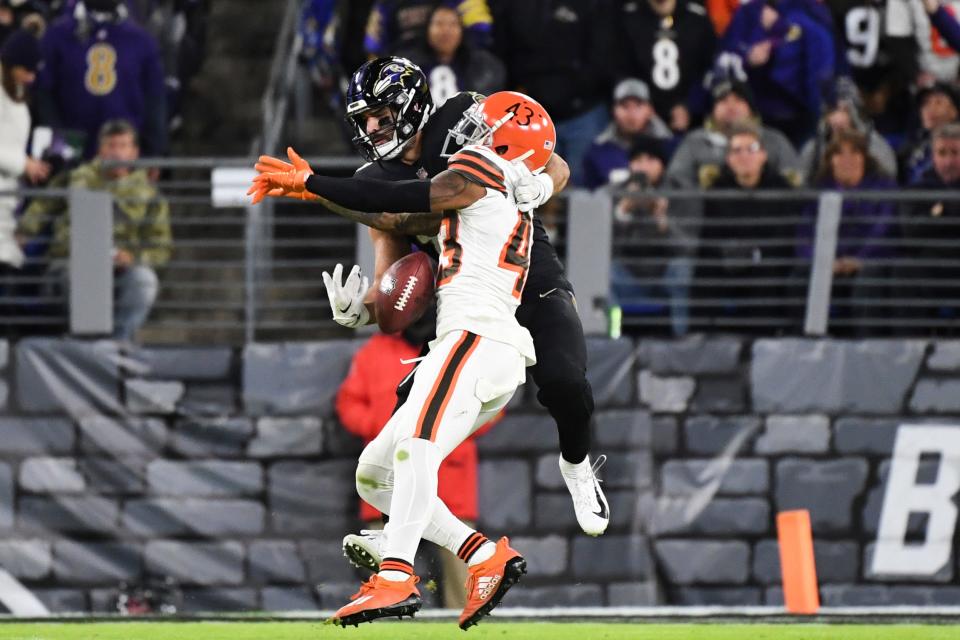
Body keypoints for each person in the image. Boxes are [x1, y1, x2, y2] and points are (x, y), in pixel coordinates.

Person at [255, 57, 609, 540]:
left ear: (411, 105)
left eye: (382, 115)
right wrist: (358, 312)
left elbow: (554, 161)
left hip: (529, 278)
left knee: (566, 382)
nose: (374, 128)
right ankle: (396, 532)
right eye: (366, 120)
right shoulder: (375, 184)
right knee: (408, 419)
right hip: (466, 303)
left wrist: (540, 183)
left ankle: (576, 465)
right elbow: (391, 292)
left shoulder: (464, 119)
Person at [251, 91, 565, 629]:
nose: (468, 129)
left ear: (504, 142)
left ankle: (396, 576)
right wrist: (367, 309)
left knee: (416, 448)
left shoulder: (481, 168)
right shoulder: (501, 178)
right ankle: (482, 556)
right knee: (375, 475)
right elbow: (395, 213)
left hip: (476, 338)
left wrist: (313, 184)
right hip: (470, 345)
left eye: (481, 125)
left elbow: (412, 193)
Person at [335, 304, 497, 610]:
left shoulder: (461, 347)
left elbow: (491, 406)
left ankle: (464, 628)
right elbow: (349, 404)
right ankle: (379, 624)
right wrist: (383, 429)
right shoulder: (373, 353)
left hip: (448, 483)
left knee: (461, 576)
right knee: (381, 576)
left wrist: (446, 432)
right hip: (389, 485)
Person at [16, 119, 171, 340]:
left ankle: (118, 347)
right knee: (76, 278)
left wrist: (133, 258)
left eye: (123, 146)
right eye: (111, 146)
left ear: (134, 152)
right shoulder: (75, 177)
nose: (116, 153)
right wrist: (23, 233)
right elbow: (41, 207)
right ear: (100, 150)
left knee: (144, 281)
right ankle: (86, 347)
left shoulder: (150, 194)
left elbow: (161, 249)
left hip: (121, 271)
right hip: (69, 264)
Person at [492, 0, 616, 186]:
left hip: (583, 111)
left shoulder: (592, 5)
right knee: (525, 186)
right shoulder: (518, 6)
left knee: (585, 186)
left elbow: (603, 53)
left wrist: (575, 91)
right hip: (531, 114)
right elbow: (505, 49)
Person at [34, 0, 167, 158]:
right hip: (74, 147)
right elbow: (44, 95)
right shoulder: (57, 35)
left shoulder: (141, 40)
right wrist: (61, 150)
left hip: (124, 152)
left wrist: (153, 151)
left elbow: (154, 98)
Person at [698, 123, 798, 330]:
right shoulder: (717, 190)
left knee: (767, 279)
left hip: (769, 265)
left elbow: (786, 238)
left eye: (751, 149)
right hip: (728, 264)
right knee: (704, 274)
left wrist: (756, 254)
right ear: (728, 159)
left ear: (763, 155)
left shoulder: (781, 189)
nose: (744, 156)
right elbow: (709, 238)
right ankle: (704, 343)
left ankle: (762, 344)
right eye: (736, 151)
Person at [798, 129, 897, 334]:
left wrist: (859, 260)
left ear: (865, 158)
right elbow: (805, 235)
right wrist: (823, 263)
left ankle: (867, 350)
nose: (847, 159)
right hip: (827, 265)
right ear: (830, 160)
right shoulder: (819, 190)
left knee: (868, 283)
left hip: (868, 264)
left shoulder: (885, 188)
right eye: (839, 153)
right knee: (799, 279)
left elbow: (884, 230)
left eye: (854, 152)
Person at [607, 136, 693, 336]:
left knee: (683, 269)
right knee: (605, 273)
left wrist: (662, 220)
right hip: (629, 274)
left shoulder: (682, 192)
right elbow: (603, 248)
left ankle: (682, 339)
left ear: (662, 164)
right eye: (638, 160)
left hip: (666, 273)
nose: (643, 166)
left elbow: (688, 247)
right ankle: (611, 338)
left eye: (650, 160)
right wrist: (622, 213)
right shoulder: (615, 193)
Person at [719, 0, 836, 146]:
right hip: (756, 111)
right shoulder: (750, 11)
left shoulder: (811, 12)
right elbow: (726, 52)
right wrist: (747, 55)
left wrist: (778, 31)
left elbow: (822, 62)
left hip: (801, 114)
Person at [893, 122, 960, 330]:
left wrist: (938, 211)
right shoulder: (917, 190)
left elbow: (924, 226)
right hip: (928, 268)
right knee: (899, 272)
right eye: (942, 153)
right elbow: (911, 232)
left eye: (955, 153)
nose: (949, 161)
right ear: (933, 157)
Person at [614, 0, 717, 133]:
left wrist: (689, 106)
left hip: (692, 120)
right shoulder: (628, 18)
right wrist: (646, 107)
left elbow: (709, 70)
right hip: (641, 121)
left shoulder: (697, 18)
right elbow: (620, 70)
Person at [0, 29, 48, 270]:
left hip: (8, 204)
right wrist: (23, 163)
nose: (31, 77)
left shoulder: (17, 95)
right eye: (26, 70)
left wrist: (28, 161)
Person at [396, 4, 504, 107]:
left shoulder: (483, 65)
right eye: (439, 24)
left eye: (453, 24)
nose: (446, 31)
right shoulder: (407, 66)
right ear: (427, 29)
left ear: (462, 31)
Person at [799, 79, 898, 184]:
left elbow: (889, 179)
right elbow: (800, 184)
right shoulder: (815, 147)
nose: (838, 119)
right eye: (832, 111)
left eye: (844, 110)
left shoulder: (873, 144)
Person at [582, 78, 672, 190]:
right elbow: (590, 197)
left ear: (650, 110)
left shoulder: (670, 146)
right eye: (624, 106)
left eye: (638, 105)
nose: (631, 114)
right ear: (614, 111)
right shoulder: (598, 150)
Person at [364, 0, 493, 57]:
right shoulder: (386, 3)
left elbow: (481, 31)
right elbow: (374, 47)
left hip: (457, 65)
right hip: (403, 71)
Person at [900, 81, 960, 183]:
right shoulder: (912, 144)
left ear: (954, 111)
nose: (930, 109)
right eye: (926, 103)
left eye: (938, 102)